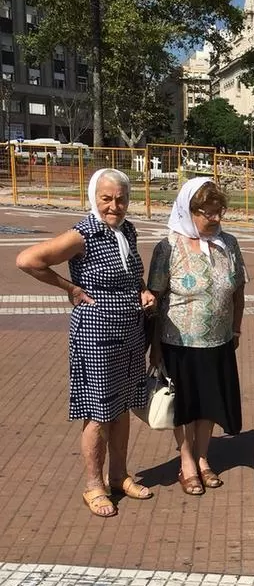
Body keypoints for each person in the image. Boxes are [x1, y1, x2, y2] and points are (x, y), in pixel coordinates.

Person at [16, 168, 155, 518]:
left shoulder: (126, 230)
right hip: (97, 331)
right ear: (94, 197)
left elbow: (132, 274)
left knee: (123, 406)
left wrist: (143, 292)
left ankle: (120, 475)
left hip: (130, 331)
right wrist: (71, 289)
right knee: (98, 412)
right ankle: (94, 485)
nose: (114, 205)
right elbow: (28, 260)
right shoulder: (84, 233)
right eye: (106, 198)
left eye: (121, 199)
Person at [147, 178, 246, 495]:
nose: (215, 219)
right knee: (185, 406)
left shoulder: (227, 243)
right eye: (208, 213)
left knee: (209, 404)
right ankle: (187, 462)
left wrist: (235, 328)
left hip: (218, 340)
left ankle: (204, 457)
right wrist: (156, 347)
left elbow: (238, 290)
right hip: (179, 343)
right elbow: (156, 297)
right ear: (188, 211)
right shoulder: (168, 247)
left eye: (219, 212)